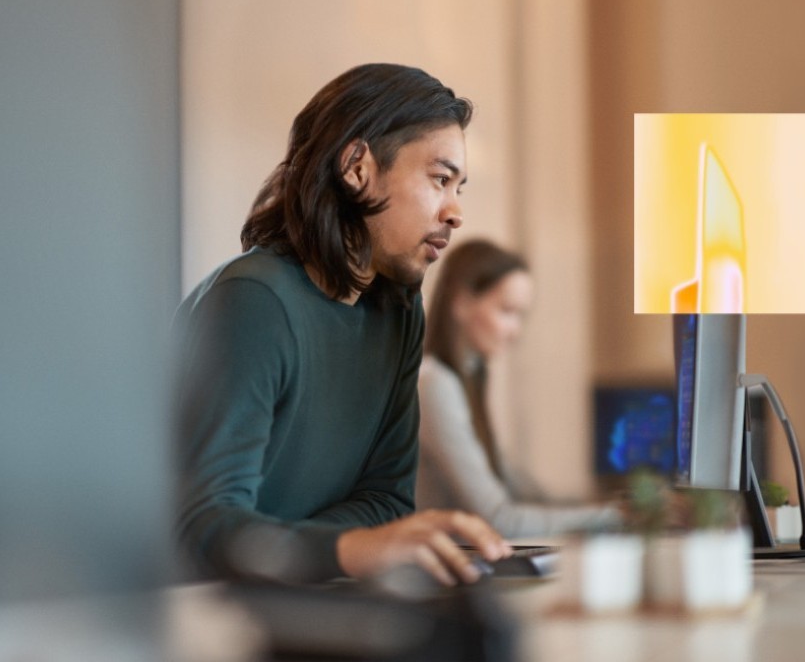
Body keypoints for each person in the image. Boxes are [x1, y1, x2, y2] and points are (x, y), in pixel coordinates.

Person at [173, 63, 513, 587]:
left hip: (307, 597)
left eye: (458, 188)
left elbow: (387, 501)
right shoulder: (253, 300)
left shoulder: (399, 313)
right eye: (440, 179)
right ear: (357, 167)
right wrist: (348, 549)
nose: (455, 213)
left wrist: (323, 551)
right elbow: (203, 528)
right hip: (201, 612)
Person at [416, 239, 621, 537]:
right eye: (507, 311)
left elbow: (525, 493)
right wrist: (614, 516)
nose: (516, 331)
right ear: (462, 303)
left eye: (521, 316)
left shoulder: (468, 379)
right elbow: (499, 519)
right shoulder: (435, 384)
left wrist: (612, 508)